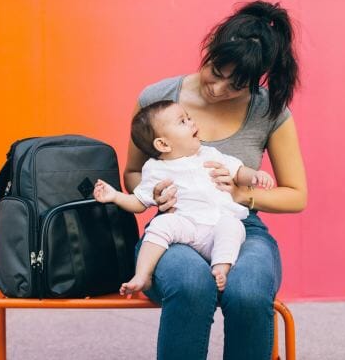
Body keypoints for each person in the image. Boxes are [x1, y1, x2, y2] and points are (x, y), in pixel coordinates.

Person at [124, 0, 307, 360]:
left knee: (249, 291)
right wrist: (156, 193)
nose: (219, 89)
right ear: (209, 51)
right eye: (216, 71)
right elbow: (133, 173)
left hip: (239, 226)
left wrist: (243, 193)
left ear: (256, 80)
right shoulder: (157, 99)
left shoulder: (269, 111)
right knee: (190, 284)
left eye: (237, 84)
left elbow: (297, 195)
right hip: (175, 225)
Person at [93, 100, 274, 293]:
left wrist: (254, 176)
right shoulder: (155, 169)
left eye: (188, 117)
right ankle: (142, 275)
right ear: (163, 144)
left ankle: (221, 267)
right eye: (182, 121)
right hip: (186, 226)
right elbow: (139, 202)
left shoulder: (209, 154)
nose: (191, 122)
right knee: (160, 225)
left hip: (217, 224)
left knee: (233, 226)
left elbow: (237, 171)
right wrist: (115, 196)